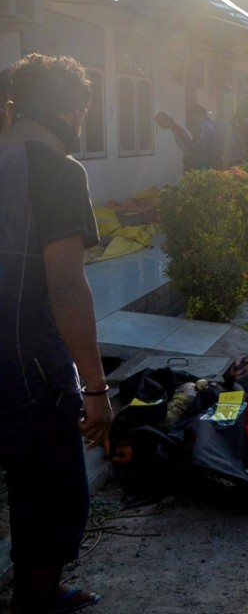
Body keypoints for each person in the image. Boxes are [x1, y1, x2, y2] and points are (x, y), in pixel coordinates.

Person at [0, 53, 112, 613]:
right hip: (30, 372)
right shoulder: (59, 172)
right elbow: (66, 287)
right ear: (71, 109)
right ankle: (36, 601)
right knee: (49, 495)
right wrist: (95, 388)